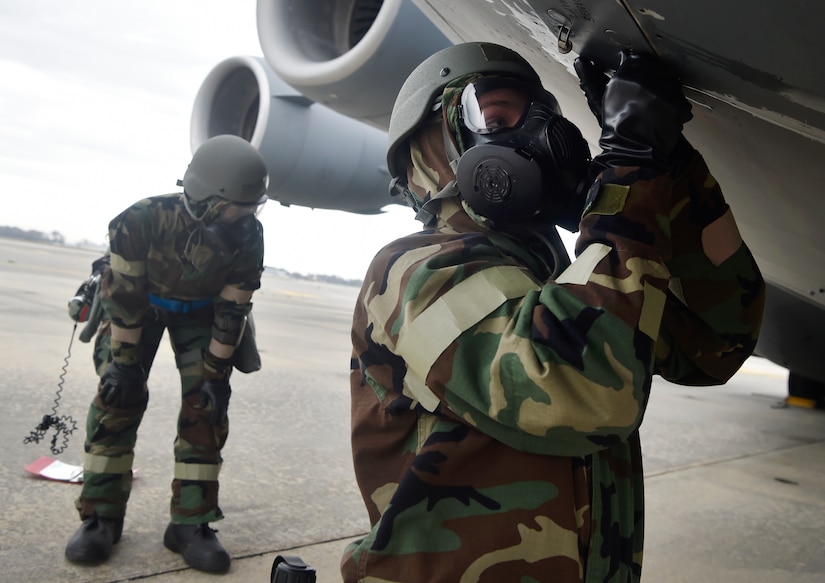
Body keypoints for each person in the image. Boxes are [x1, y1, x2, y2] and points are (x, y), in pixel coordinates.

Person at [343, 42, 765, 582]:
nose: (539, 140)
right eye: (496, 117)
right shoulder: (412, 271)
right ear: (436, 147)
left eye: (542, 119)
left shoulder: (566, 274)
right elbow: (579, 391)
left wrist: (668, 171)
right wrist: (626, 180)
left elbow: (718, 343)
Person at [64, 134, 269, 574]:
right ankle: (101, 516)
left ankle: (190, 523)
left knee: (206, 408)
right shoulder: (139, 221)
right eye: (238, 206)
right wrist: (123, 364)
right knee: (118, 399)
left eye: (253, 207)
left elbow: (233, 308)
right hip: (138, 312)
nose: (246, 216)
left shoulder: (248, 233)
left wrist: (214, 375)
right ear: (208, 197)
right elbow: (124, 299)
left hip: (201, 314)